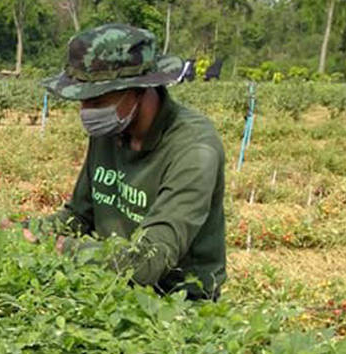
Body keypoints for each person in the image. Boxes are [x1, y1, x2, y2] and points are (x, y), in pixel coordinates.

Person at [24, 24, 226, 300]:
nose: (86, 111)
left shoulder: (194, 150)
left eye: (96, 98)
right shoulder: (112, 128)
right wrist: (26, 231)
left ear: (140, 89)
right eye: (81, 100)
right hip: (113, 284)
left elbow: (150, 261)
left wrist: (60, 246)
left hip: (177, 302)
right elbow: (80, 216)